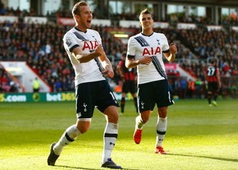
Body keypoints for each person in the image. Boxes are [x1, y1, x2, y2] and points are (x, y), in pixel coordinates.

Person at [47, 1, 122, 169]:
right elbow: (79, 57)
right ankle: (57, 148)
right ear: (77, 17)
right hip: (84, 83)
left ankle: (106, 159)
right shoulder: (70, 36)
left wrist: (108, 67)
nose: (90, 15)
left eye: (90, 12)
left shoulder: (95, 34)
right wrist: (95, 53)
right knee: (83, 126)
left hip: (100, 81)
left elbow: (103, 57)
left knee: (114, 115)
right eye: (86, 13)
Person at [125, 9, 177, 154]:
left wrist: (173, 52)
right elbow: (127, 64)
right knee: (145, 117)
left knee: (163, 111)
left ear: (152, 21)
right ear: (140, 22)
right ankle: (139, 125)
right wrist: (139, 61)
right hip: (144, 82)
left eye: (149, 18)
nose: (146, 21)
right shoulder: (134, 40)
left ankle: (159, 145)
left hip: (161, 79)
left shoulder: (161, 37)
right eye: (144, 19)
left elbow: (169, 59)